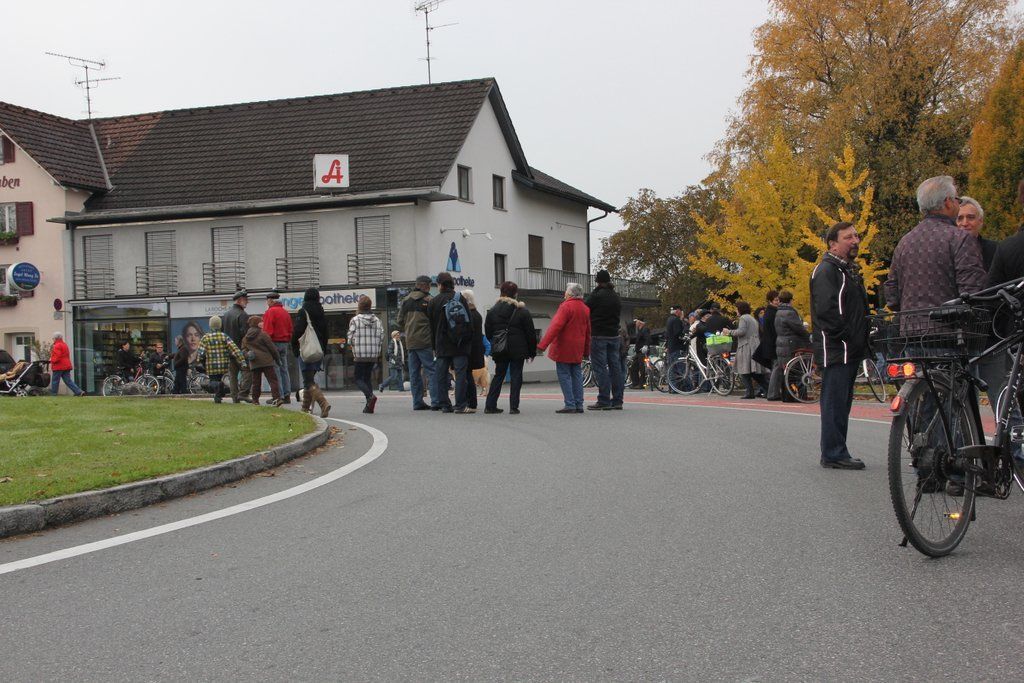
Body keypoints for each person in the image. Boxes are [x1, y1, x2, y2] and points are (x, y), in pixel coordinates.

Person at [812, 221, 869, 469]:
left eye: (856, 236)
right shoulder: (827, 271)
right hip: (837, 349)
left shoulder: (846, 270)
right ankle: (833, 453)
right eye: (848, 237)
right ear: (833, 244)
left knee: (841, 402)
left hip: (847, 348)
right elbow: (827, 312)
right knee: (835, 402)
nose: (855, 241)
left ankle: (836, 450)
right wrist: (848, 337)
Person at [884, 176, 986, 312]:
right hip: (951, 323)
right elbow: (973, 291)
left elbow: (892, 296)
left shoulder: (904, 242)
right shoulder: (960, 238)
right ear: (948, 202)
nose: (958, 203)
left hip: (910, 323)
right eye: (957, 199)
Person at [538, 282, 592, 413]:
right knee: (577, 375)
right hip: (578, 347)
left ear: (570, 294)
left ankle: (570, 404)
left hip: (564, 347)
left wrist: (542, 345)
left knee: (564, 375)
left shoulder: (566, 307)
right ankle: (579, 404)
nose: (564, 294)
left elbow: (555, 327)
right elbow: (588, 332)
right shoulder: (585, 309)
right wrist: (586, 350)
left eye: (566, 292)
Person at [484, 281, 537, 415]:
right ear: (515, 294)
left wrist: (496, 344)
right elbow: (530, 333)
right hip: (518, 350)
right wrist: (532, 352)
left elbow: (489, 333)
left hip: (500, 348)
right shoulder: (522, 311)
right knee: (516, 375)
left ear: (501, 293)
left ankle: (490, 405)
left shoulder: (492, 311)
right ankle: (513, 407)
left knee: (499, 375)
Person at [427, 272, 472, 414]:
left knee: (441, 375)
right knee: (460, 374)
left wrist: (434, 346)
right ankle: (460, 405)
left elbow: (431, 327)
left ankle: (445, 405)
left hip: (441, 344)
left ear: (440, 285)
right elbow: (469, 322)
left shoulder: (433, 302)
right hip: (459, 343)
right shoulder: (460, 298)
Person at [398, 275, 439, 411]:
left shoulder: (405, 300)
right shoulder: (429, 300)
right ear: (425, 286)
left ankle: (417, 402)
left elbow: (399, 321)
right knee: (431, 371)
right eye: (429, 285)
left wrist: (409, 329)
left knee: (414, 373)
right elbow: (435, 321)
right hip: (425, 341)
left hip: (410, 341)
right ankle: (436, 401)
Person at [585, 269, 624, 410]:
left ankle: (604, 400)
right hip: (614, 335)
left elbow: (586, 306)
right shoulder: (616, 296)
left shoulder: (596, 296)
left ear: (598, 282)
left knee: (600, 368)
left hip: (599, 335)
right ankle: (618, 400)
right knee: (615, 368)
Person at [291, 287, 332, 418]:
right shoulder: (321, 312)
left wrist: (294, 345)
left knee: (308, 381)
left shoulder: (303, 312)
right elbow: (326, 332)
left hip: (306, 349)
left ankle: (323, 403)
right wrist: (324, 349)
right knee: (309, 380)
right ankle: (305, 408)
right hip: (318, 350)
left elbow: (298, 331)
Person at [768, 290, 809, 402]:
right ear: (790, 300)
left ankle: (787, 396)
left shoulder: (778, 312)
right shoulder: (790, 312)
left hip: (780, 342)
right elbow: (798, 328)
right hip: (791, 343)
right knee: (795, 370)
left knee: (785, 370)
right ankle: (795, 395)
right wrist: (808, 335)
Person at [347, 295, 384, 414]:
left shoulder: (355, 320)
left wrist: (354, 345)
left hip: (360, 354)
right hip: (373, 354)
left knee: (357, 378)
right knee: (367, 378)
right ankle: (369, 406)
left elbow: (350, 338)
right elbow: (381, 336)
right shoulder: (377, 320)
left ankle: (370, 396)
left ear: (359, 306)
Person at [197, 315, 246, 404]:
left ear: (210, 325)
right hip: (224, 365)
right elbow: (235, 349)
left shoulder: (206, 338)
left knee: (213, 382)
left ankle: (218, 388)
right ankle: (218, 398)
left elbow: (201, 353)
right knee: (220, 381)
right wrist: (242, 361)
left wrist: (199, 360)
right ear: (220, 325)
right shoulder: (224, 336)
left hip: (211, 366)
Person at [728, 301, 769, 399]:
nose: (736, 311)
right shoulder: (752, 318)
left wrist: (729, 332)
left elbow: (741, 331)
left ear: (740, 309)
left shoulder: (743, 318)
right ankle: (768, 389)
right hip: (755, 344)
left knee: (744, 369)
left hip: (746, 346)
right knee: (754, 371)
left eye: (737, 309)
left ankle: (750, 392)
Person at [261, 290, 294, 404]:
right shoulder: (285, 312)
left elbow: (267, 331)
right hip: (284, 343)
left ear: (271, 301)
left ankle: (278, 395)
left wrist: (265, 345)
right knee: (284, 368)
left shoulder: (270, 312)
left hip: (274, 343)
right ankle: (287, 394)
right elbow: (290, 329)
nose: (267, 303)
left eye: (267, 301)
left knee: (275, 370)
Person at [242, 316, 283, 406]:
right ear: (257, 324)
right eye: (261, 322)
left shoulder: (246, 337)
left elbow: (243, 350)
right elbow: (272, 348)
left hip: (254, 362)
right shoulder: (263, 334)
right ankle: (277, 398)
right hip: (267, 361)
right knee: (273, 380)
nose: (263, 323)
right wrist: (277, 359)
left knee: (256, 382)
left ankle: (255, 400)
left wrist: (247, 354)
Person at [222, 289, 253, 403]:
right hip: (240, 350)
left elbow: (223, 333)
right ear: (240, 300)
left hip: (229, 350)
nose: (247, 302)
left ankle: (235, 398)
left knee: (233, 375)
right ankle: (243, 393)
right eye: (245, 300)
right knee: (248, 371)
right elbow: (246, 334)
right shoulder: (243, 315)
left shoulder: (225, 315)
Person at [459, 290, 486, 413]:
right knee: (468, 375)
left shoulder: (468, 314)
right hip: (475, 350)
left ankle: (470, 402)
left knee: (467, 376)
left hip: (468, 349)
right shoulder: (477, 314)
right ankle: (472, 402)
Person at [957, 196, 999, 272]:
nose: (965, 223)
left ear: (980, 221)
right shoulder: (945, 252)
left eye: (970, 217)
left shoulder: (996, 250)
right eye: (959, 218)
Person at [759, 290, 781, 398]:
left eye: (778, 300)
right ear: (770, 301)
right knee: (776, 368)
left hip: (771, 344)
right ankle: (772, 393)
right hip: (773, 344)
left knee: (776, 368)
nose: (778, 302)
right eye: (776, 300)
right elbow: (774, 331)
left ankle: (773, 392)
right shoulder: (772, 313)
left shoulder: (769, 312)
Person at [49, 332, 84, 396]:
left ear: (56, 338)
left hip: (58, 366)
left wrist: (51, 360)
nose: (52, 339)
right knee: (68, 381)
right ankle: (79, 392)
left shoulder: (57, 345)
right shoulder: (64, 344)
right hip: (66, 366)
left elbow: (57, 356)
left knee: (55, 381)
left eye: (53, 338)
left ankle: (53, 394)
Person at [629, 318, 651, 388]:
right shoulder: (639, 330)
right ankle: (635, 383)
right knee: (633, 367)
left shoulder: (645, 329)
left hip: (642, 352)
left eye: (636, 322)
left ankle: (641, 384)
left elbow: (648, 339)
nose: (635, 323)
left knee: (642, 368)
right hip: (638, 352)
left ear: (640, 323)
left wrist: (646, 346)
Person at [664, 305, 686, 371]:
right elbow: (678, 332)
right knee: (682, 369)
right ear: (678, 311)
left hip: (671, 347)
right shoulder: (676, 320)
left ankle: (672, 378)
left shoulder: (669, 319)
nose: (681, 312)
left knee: (672, 369)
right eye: (681, 311)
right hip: (677, 347)